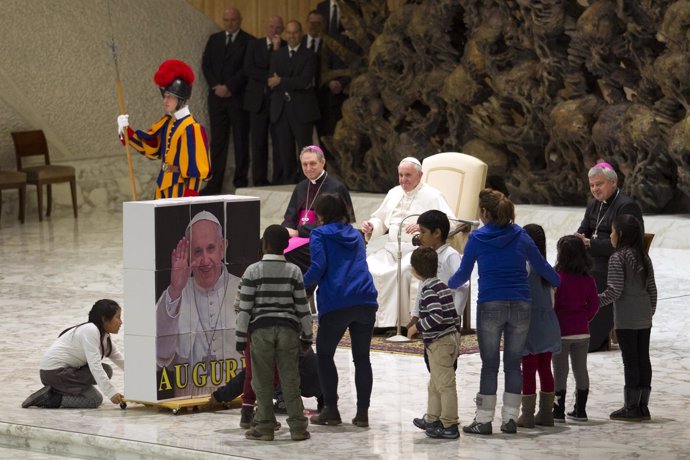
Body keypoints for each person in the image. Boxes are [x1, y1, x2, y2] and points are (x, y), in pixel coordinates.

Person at [448, 189, 560, 435]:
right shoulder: (521, 236)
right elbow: (542, 266)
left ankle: (484, 419)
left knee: (489, 365)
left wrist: (444, 284)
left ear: (485, 213)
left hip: (490, 304)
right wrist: (559, 280)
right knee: (513, 364)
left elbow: (462, 275)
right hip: (521, 304)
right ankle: (510, 418)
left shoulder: (477, 239)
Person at [303, 194, 378, 428]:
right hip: (365, 298)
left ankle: (331, 410)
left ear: (322, 215)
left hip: (337, 300)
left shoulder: (319, 234)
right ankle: (363, 413)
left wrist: (298, 287)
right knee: (362, 358)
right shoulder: (356, 234)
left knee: (325, 355)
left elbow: (318, 266)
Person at [236, 225, 312, 442]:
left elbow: (245, 308)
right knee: (290, 379)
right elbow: (302, 308)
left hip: (261, 331)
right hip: (288, 330)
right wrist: (307, 335)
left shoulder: (252, 271)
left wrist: (240, 337)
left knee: (262, 380)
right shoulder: (294, 271)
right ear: (286, 246)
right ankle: (298, 427)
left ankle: (265, 426)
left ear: (263, 244)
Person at [361, 157, 457, 329]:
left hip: (417, 250)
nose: (403, 180)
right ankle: (374, 321)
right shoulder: (393, 193)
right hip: (391, 249)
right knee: (368, 266)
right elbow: (380, 220)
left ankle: (402, 323)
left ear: (420, 175)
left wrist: (424, 226)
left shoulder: (433, 195)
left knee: (405, 271)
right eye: (400, 175)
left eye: (408, 175)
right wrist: (371, 226)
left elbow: (451, 222)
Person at [156, 211, 241, 397]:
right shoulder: (176, 293)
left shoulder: (243, 288)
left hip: (237, 392)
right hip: (190, 393)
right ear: (187, 254)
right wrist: (175, 290)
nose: (204, 260)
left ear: (223, 247)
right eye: (196, 251)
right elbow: (161, 354)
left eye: (210, 249)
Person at [575, 162, 644, 351]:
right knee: (563, 273)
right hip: (593, 258)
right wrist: (578, 239)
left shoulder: (627, 206)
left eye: (599, 184)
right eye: (592, 185)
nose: (595, 189)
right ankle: (568, 330)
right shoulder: (593, 204)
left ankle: (592, 338)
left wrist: (590, 244)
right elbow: (584, 230)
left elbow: (626, 244)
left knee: (593, 278)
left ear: (613, 182)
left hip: (615, 263)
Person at [117, 60, 210, 199]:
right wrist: (125, 130)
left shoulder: (192, 128)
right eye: (164, 96)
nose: (165, 101)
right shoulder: (167, 123)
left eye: (170, 96)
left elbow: (195, 169)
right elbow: (152, 148)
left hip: (180, 191)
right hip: (162, 187)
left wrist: (190, 197)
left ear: (181, 99)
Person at [598, 214, 657, 421]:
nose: (611, 236)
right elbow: (652, 289)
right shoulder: (643, 256)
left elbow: (614, 291)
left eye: (613, 231)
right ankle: (642, 406)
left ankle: (630, 407)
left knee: (630, 360)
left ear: (620, 234)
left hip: (626, 318)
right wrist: (650, 310)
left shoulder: (617, 258)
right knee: (643, 358)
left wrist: (592, 302)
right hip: (643, 316)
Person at [22, 300, 124, 409]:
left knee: (107, 370)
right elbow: (95, 366)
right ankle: (50, 398)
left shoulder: (103, 337)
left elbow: (122, 361)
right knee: (95, 399)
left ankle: (61, 390)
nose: (121, 322)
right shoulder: (91, 331)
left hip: (63, 372)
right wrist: (111, 393)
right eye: (117, 317)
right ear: (104, 319)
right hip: (54, 373)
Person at [407, 247, 461, 439]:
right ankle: (432, 418)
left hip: (439, 343)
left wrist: (417, 327)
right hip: (449, 339)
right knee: (435, 383)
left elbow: (436, 315)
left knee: (445, 385)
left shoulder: (428, 290)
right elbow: (453, 315)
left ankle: (450, 424)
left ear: (415, 270)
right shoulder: (442, 286)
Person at [201, 7, 254, 193]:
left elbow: (247, 69)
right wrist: (217, 86)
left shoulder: (249, 41)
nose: (229, 23)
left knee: (241, 141)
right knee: (217, 142)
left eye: (233, 20)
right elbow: (206, 65)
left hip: (237, 98)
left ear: (240, 20)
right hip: (217, 99)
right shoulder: (214, 40)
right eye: (226, 20)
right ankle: (214, 184)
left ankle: (241, 183)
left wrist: (229, 87)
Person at [282, 145, 355, 272]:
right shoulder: (300, 187)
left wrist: (300, 232)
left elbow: (338, 224)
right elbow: (290, 216)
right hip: (298, 237)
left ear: (323, 162)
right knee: (267, 243)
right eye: (304, 164)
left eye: (312, 163)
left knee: (292, 253)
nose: (308, 168)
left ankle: (303, 287)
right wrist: (284, 231)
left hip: (324, 240)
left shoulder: (336, 188)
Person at [517, 224, 561, 428]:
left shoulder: (525, 266)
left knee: (528, 369)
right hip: (549, 323)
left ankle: (526, 415)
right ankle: (546, 413)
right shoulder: (546, 266)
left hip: (530, 324)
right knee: (545, 368)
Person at [551, 235, 599, 423]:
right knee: (581, 370)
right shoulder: (588, 280)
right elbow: (594, 305)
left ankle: (558, 410)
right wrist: (584, 319)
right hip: (582, 331)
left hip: (561, 332)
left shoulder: (557, 278)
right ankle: (581, 410)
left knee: (560, 371)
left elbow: (553, 305)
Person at [268, 20, 320, 185]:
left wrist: (281, 80)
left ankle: (306, 183)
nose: (292, 36)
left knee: (305, 150)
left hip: (302, 110)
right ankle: (289, 183)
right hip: (281, 109)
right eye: (289, 33)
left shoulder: (310, 55)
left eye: (295, 32)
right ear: (285, 34)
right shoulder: (277, 54)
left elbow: (304, 81)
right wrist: (287, 81)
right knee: (285, 150)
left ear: (301, 34)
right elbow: (271, 80)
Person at [243, 15, 286, 186]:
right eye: (271, 27)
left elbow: (283, 71)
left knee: (279, 142)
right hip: (257, 102)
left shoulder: (284, 47)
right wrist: (269, 77)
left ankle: (279, 179)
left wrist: (276, 51)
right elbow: (248, 69)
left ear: (281, 30)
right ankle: (259, 180)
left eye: (277, 27)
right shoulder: (254, 45)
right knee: (258, 142)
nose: (274, 30)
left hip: (278, 103)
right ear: (265, 28)